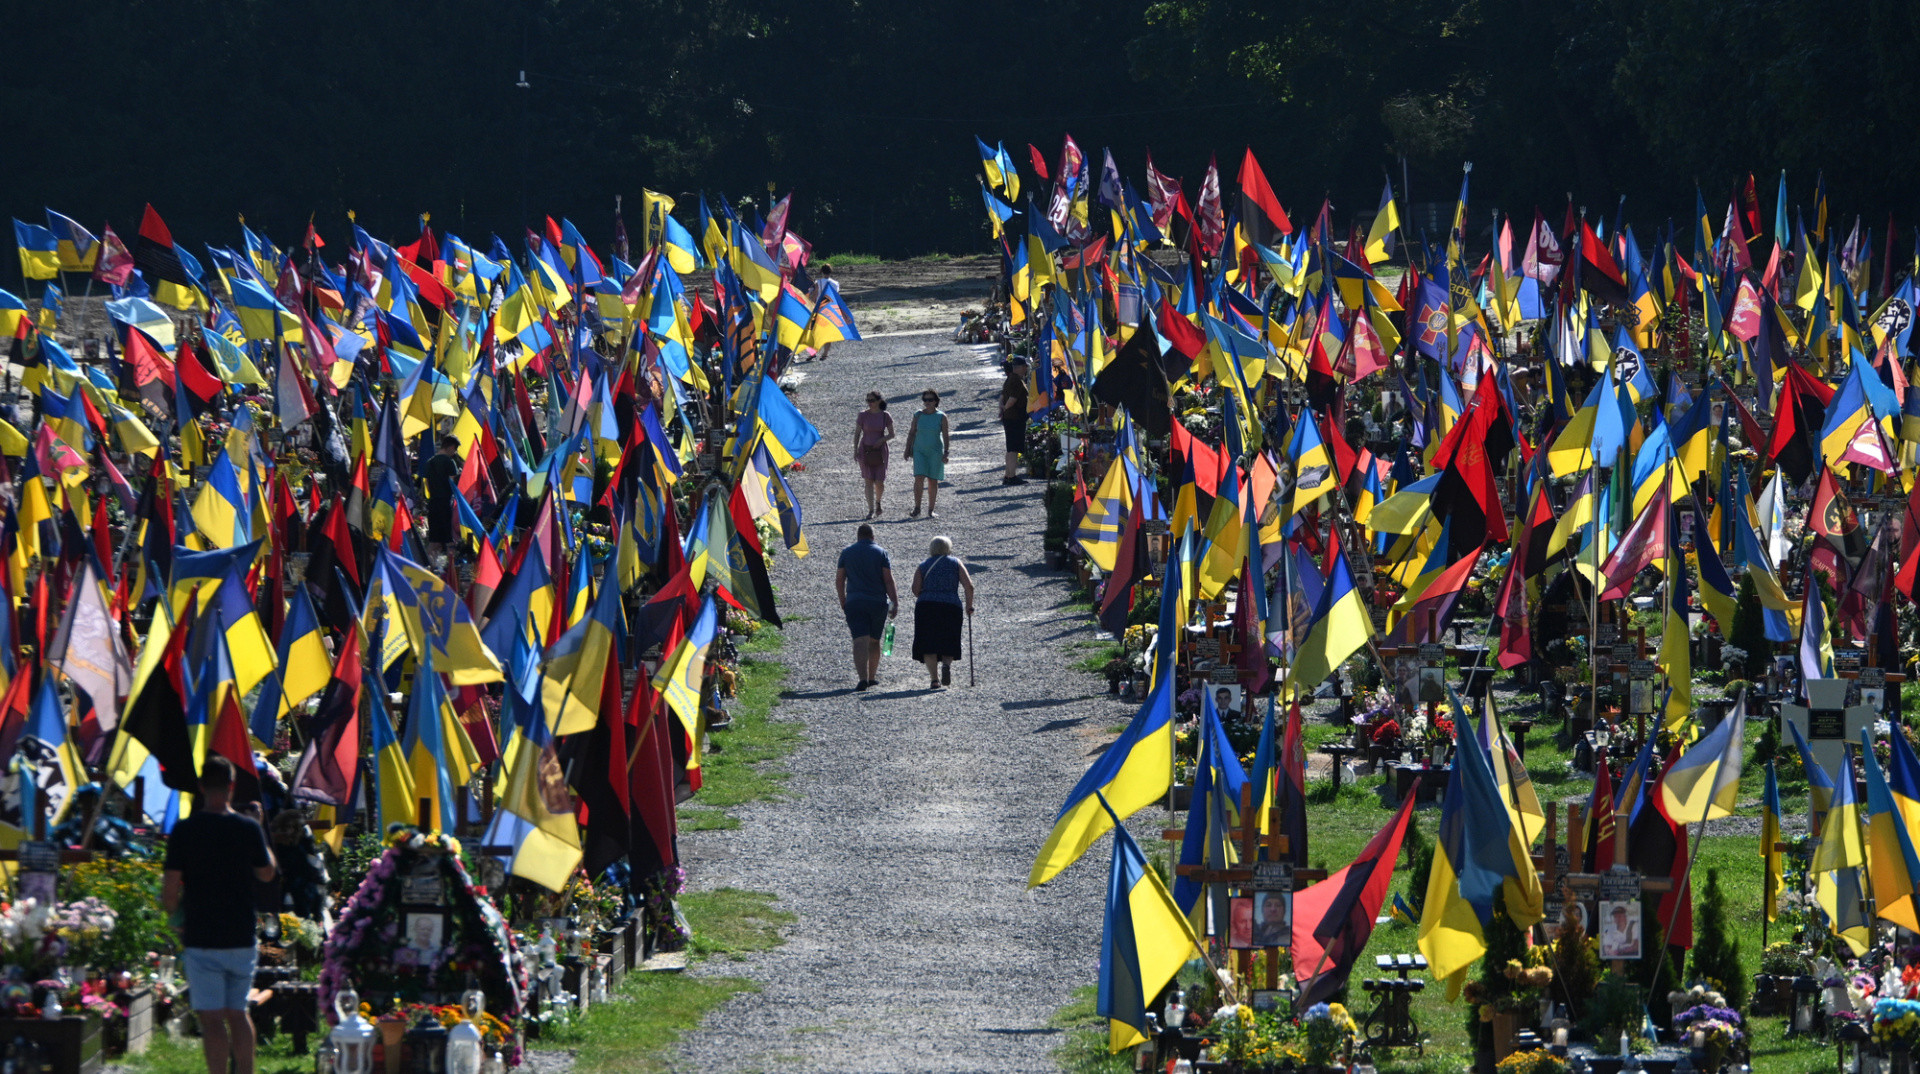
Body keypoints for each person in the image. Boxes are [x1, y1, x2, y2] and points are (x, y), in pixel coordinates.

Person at [162, 757, 278, 1074]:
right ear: (231, 786)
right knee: (237, 1013)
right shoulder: (247, 828)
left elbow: (170, 891)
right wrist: (259, 829)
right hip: (240, 934)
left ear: (201, 787)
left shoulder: (185, 831)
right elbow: (268, 873)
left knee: (211, 1018)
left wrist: (178, 922)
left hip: (201, 934)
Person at [835, 524, 898, 691]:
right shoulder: (881, 552)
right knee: (874, 640)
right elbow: (888, 580)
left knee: (859, 639)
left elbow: (840, 579)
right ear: (872, 537)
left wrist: (843, 600)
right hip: (877, 603)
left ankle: (862, 678)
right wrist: (894, 602)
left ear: (858, 537)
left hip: (855, 602)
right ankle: (872, 677)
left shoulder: (847, 552)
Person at [910, 535, 975, 689]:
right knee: (949, 638)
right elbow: (969, 586)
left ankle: (934, 679)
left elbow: (915, 589)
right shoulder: (955, 563)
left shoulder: (923, 565)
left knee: (928, 642)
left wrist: (928, 593)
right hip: (951, 606)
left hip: (926, 606)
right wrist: (969, 606)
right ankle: (946, 664)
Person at [905, 388, 950, 519]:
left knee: (933, 480)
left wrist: (946, 452)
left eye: (930, 400)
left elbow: (946, 436)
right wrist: (907, 449)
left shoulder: (942, 416)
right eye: (925, 400)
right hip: (919, 450)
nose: (927, 402)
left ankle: (931, 509)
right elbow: (912, 432)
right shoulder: (918, 415)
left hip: (935, 451)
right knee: (918, 477)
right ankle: (917, 507)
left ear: (936, 401)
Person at [853, 392, 895, 519]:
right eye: (868, 400)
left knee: (879, 481)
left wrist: (881, 440)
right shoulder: (863, 415)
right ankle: (871, 510)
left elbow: (892, 434)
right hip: (865, 450)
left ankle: (878, 502)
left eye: (872, 400)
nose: (869, 403)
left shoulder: (885, 415)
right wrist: (855, 450)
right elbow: (857, 433)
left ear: (878, 401)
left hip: (880, 451)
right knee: (868, 480)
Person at [422, 434, 461, 558]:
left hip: (433, 504)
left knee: (434, 540)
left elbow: (427, 485)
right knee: (449, 540)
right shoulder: (450, 462)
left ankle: (430, 567)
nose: (455, 452)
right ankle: (451, 571)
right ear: (451, 447)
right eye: (455, 449)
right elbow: (453, 484)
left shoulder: (430, 462)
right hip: (446, 504)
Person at [999, 358, 1030, 485]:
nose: (1026, 369)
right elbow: (1012, 399)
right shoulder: (1017, 381)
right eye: (1024, 367)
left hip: (1010, 417)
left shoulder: (1009, 379)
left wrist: (1002, 409)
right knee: (1013, 449)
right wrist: (1005, 408)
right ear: (1019, 367)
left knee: (1010, 448)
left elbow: (1002, 397)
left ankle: (1008, 474)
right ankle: (1011, 476)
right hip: (1015, 417)